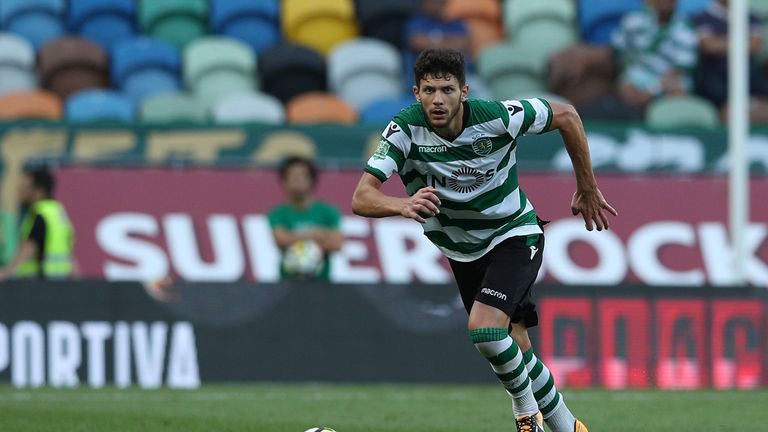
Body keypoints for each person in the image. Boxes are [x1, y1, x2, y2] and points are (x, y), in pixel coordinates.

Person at [352, 48, 617, 432]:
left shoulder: (498, 117)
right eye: (429, 90)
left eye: (447, 89)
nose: (437, 99)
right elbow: (362, 196)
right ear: (416, 92)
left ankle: (527, 418)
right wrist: (402, 204)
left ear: (464, 92)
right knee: (516, 347)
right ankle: (568, 426)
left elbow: (567, 115)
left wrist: (587, 186)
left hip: (513, 233)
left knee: (486, 330)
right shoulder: (405, 130)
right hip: (461, 250)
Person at [268, 156, 343, 281]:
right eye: (293, 175)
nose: (297, 179)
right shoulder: (277, 213)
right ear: (284, 181)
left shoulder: (328, 212)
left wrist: (294, 239)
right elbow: (281, 240)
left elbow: (336, 243)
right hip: (287, 281)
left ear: (312, 180)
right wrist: (317, 234)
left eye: (302, 175)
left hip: (322, 282)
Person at [692, 0, 768, 122]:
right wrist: (744, 41)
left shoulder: (751, 17)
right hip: (715, 81)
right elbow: (709, 46)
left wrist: (720, 41)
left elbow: (755, 44)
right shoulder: (701, 17)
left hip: (750, 77)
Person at [0, 167, 75, 280]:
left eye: (25, 187)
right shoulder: (58, 211)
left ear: (38, 191)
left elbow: (29, 247)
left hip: (40, 283)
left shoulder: (40, 213)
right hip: (60, 281)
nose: (19, 190)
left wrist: (6, 272)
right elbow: (69, 253)